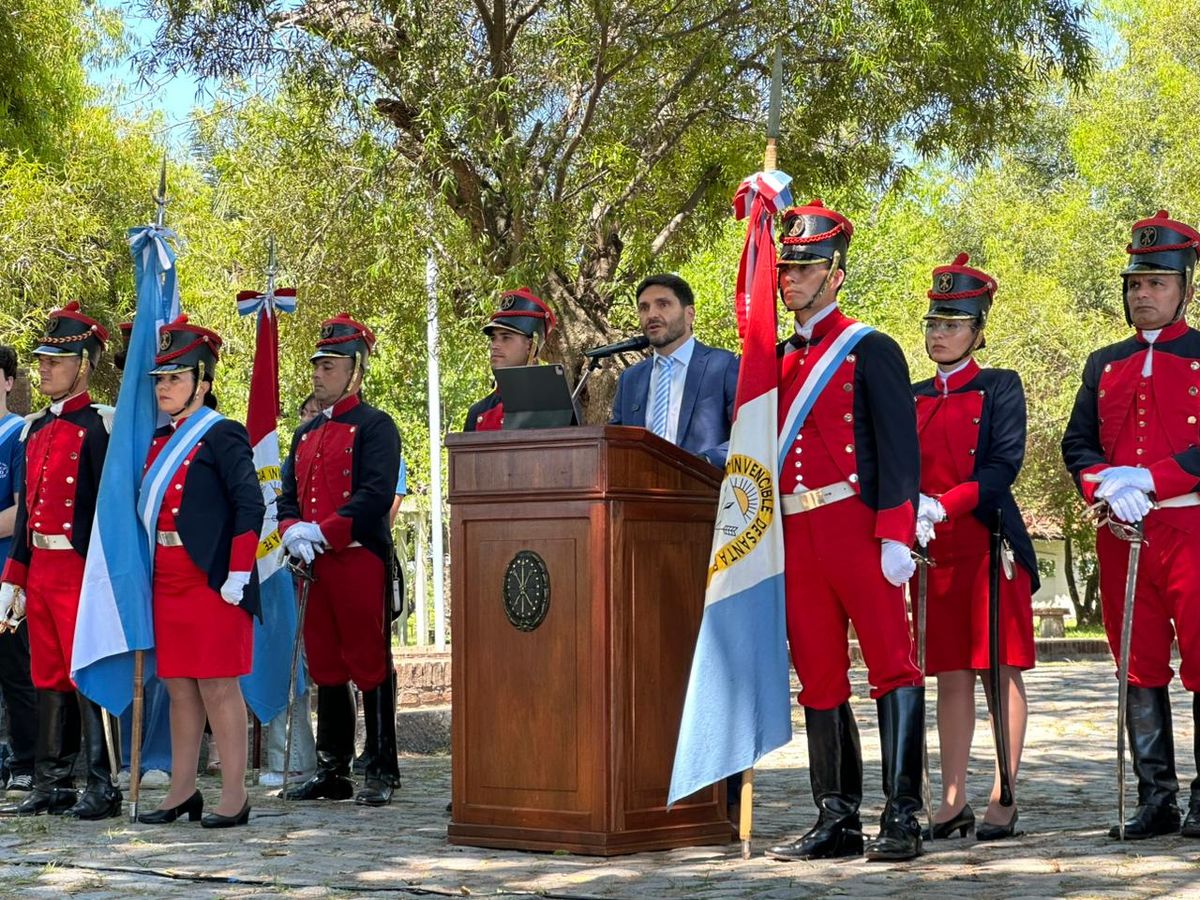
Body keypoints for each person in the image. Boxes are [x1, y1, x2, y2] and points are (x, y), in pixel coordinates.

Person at [763, 200, 924, 862]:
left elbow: (899, 449)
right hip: (797, 535)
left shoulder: (870, 348)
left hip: (858, 528)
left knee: (893, 668)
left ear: (836, 274)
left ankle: (904, 816)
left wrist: (895, 532)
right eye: (784, 268)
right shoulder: (774, 359)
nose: (790, 279)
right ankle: (837, 818)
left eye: (804, 267)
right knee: (820, 678)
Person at [1062, 209, 1200, 840]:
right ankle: (1156, 798)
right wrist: (1105, 484)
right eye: (1135, 284)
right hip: (1123, 535)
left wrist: (1155, 478)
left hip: (1192, 530)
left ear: (1185, 290)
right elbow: (1078, 443)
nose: (1142, 294)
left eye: (1157, 284)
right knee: (1136, 667)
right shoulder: (1104, 363)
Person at [911, 254, 1038, 842]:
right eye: (934, 323)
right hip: (930, 548)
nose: (940, 333)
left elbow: (1001, 467)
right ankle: (952, 797)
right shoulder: (909, 395)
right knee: (949, 674)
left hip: (987, 541)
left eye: (953, 324)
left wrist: (947, 502)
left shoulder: (999, 386)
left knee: (999, 668)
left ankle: (1002, 793)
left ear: (978, 329)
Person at [134, 317, 265, 829]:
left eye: (175, 377)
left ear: (202, 383)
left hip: (212, 580)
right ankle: (181, 790)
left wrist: (237, 573)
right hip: (167, 577)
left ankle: (234, 795)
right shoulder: (156, 441)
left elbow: (249, 506)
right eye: (160, 379)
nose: (164, 387)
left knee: (217, 686)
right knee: (178, 686)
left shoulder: (222, 434)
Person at [0, 302, 120, 819]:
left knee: (84, 672)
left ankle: (99, 781)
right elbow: (27, 514)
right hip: (42, 570)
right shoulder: (34, 431)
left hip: (79, 567)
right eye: (42, 360)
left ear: (83, 365)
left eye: (55, 360)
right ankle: (51, 781)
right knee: (46, 672)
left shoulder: (99, 428)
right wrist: (15, 578)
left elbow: (104, 512)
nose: (44, 368)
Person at [278, 313, 402, 807]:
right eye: (317, 365)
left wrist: (323, 531)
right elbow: (288, 497)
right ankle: (334, 768)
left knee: (368, 661)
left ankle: (380, 765)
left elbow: (374, 494)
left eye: (329, 365)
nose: (318, 373)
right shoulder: (305, 434)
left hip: (356, 558)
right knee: (325, 663)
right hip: (315, 565)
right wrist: (292, 531)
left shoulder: (376, 426)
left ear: (355, 370)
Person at [608, 273, 738, 467]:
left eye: (663, 304)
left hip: (703, 490)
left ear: (689, 314)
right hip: (642, 492)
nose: (651, 314)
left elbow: (747, 433)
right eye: (644, 307)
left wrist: (706, 461)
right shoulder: (631, 378)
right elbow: (616, 441)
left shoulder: (724, 365)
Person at [258, 394, 321, 788]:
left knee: (333, 671)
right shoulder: (294, 453)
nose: (312, 420)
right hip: (289, 569)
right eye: (307, 414)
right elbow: (285, 504)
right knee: (289, 659)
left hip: (335, 559)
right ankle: (292, 758)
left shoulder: (364, 431)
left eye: (317, 413)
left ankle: (334, 757)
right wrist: (293, 532)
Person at [0, 346, 35, 796]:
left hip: (7, 573)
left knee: (15, 671)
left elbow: (22, 510)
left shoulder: (20, 435)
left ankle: (27, 761)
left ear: (8, 381)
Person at [464, 288, 557, 431]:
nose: (495, 345)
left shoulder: (556, 408)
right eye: (493, 338)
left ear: (530, 346)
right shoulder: (478, 412)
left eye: (506, 337)